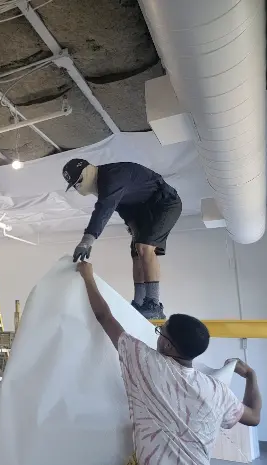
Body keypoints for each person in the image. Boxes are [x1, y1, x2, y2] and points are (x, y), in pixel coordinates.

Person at [76, 261, 262, 465]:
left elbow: (104, 317)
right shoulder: (218, 391)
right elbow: (253, 417)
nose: (157, 336)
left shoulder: (146, 363)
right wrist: (251, 376)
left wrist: (87, 277)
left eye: (160, 332)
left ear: (170, 346)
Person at [63, 159, 182, 320]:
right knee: (136, 251)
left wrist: (87, 240)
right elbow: (123, 208)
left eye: (78, 182)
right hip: (143, 210)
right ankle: (139, 303)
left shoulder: (112, 176)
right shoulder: (104, 187)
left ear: (87, 172)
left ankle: (153, 304)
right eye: (75, 185)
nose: (78, 188)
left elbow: (104, 208)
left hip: (165, 204)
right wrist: (134, 228)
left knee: (144, 247)